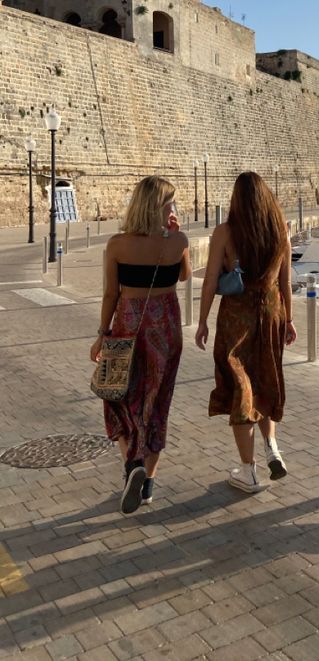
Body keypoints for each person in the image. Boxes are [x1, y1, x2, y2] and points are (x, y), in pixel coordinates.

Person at [92, 176, 191, 515]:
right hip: (166, 331)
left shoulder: (117, 244)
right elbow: (184, 276)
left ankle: (131, 464)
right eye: (171, 203)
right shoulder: (178, 241)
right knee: (156, 405)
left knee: (117, 398)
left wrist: (102, 334)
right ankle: (147, 484)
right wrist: (177, 236)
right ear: (161, 207)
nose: (173, 209)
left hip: (126, 329)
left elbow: (110, 294)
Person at [195, 172, 297, 493]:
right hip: (271, 311)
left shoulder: (225, 232)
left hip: (237, 315)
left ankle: (248, 470)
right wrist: (289, 320)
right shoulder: (280, 230)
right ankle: (272, 448)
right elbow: (285, 283)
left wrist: (202, 321)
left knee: (241, 387)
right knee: (266, 377)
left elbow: (211, 280)